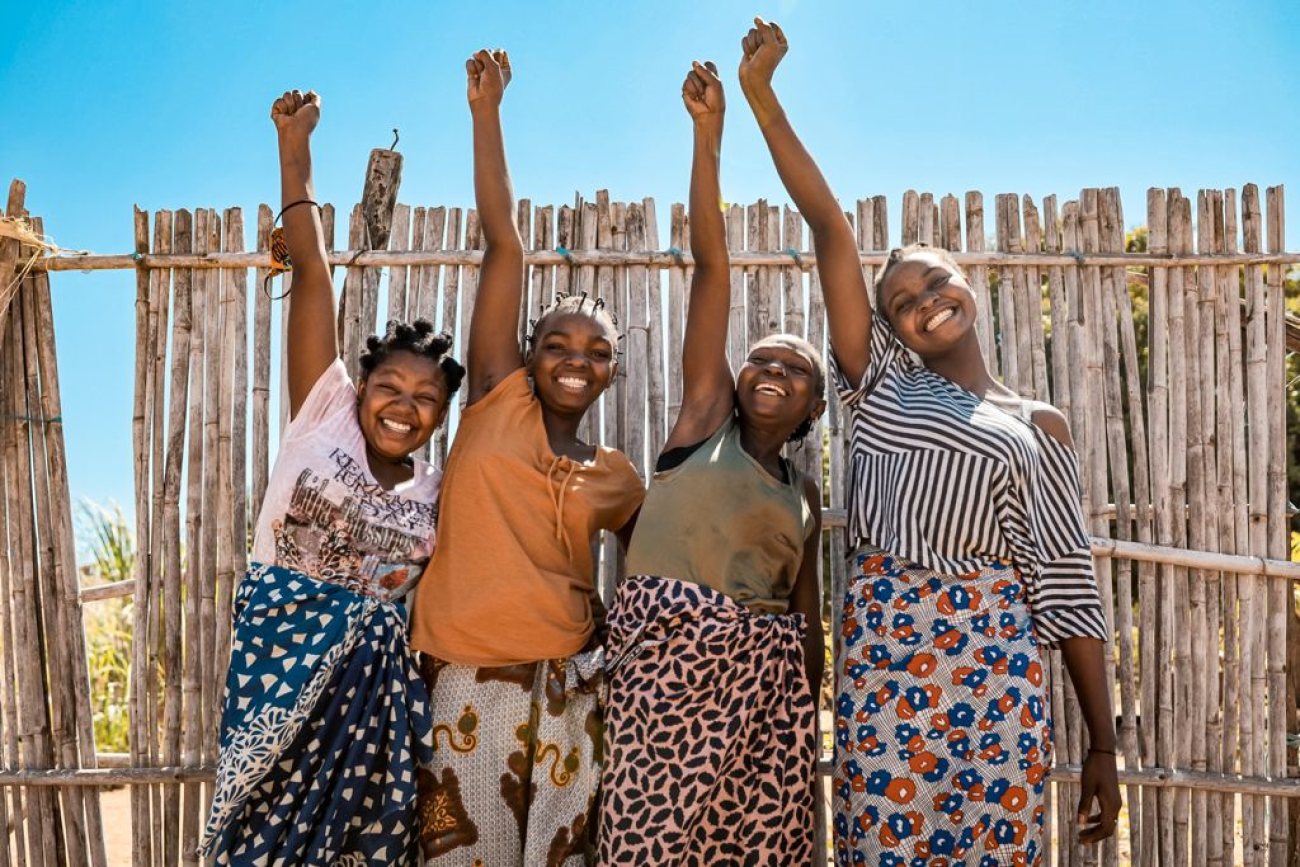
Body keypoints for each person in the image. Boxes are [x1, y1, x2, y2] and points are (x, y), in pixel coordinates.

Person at [737, 18, 1121, 865]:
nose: (925, 299)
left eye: (935, 278)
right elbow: (832, 229)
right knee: (883, 842)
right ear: (891, 329)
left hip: (1000, 657)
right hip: (891, 647)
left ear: (967, 281)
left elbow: (1063, 582)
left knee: (997, 843)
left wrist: (1101, 741)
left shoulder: (1038, 423)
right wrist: (763, 101)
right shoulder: (879, 384)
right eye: (903, 298)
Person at [200, 88, 465, 865]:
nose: (403, 407)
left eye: (425, 399)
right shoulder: (324, 416)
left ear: (441, 415)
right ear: (361, 385)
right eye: (390, 387)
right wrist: (295, 150)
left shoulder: (438, 490)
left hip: (372, 710)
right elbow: (311, 272)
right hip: (276, 674)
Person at [409, 50, 644, 866]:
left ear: (614, 367)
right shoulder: (497, 399)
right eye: (558, 342)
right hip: (463, 678)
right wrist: (487, 111)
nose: (576, 358)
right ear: (528, 352)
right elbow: (503, 243)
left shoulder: (618, 476)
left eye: (597, 349)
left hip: (569, 687)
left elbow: (647, 576)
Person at [598, 58, 824, 866]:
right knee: (644, 839)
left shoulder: (805, 496)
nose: (771, 370)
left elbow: (806, 619)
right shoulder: (702, 426)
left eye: (794, 368)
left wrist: (805, 704)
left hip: (765, 698)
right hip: (664, 675)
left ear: (814, 405)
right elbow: (712, 273)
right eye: (760, 359)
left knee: (755, 846)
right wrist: (708, 137)